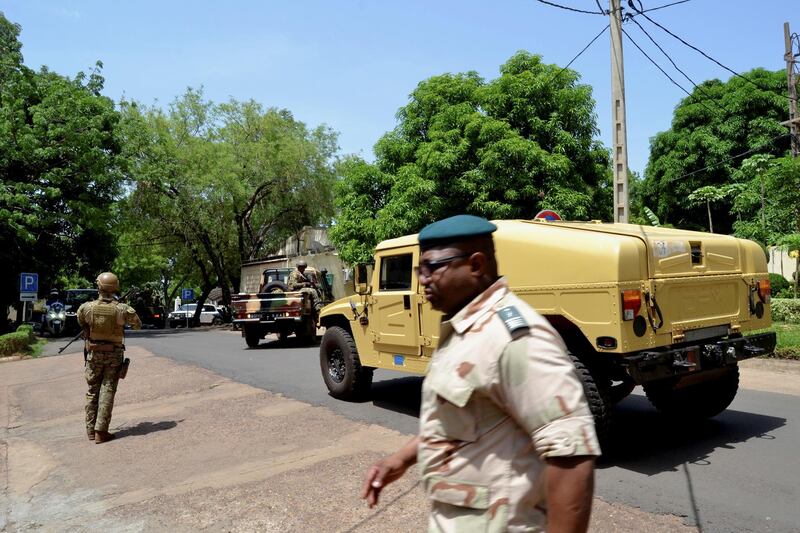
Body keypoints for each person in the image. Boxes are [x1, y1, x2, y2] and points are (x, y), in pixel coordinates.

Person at [361, 215, 600, 532]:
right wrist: (401, 459)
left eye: (433, 267)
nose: (422, 279)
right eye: (420, 269)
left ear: (475, 264)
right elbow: (457, 419)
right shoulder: (463, 329)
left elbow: (571, 456)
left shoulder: (514, 338)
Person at [77, 272, 141, 443]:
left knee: (92, 391)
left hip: (94, 353)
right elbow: (137, 325)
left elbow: (81, 321)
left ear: (99, 287)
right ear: (115, 288)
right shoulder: (122, 309)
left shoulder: (87, 307)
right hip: (114, 354)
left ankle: (90, 431)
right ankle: (101, 431)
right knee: (108, 390)